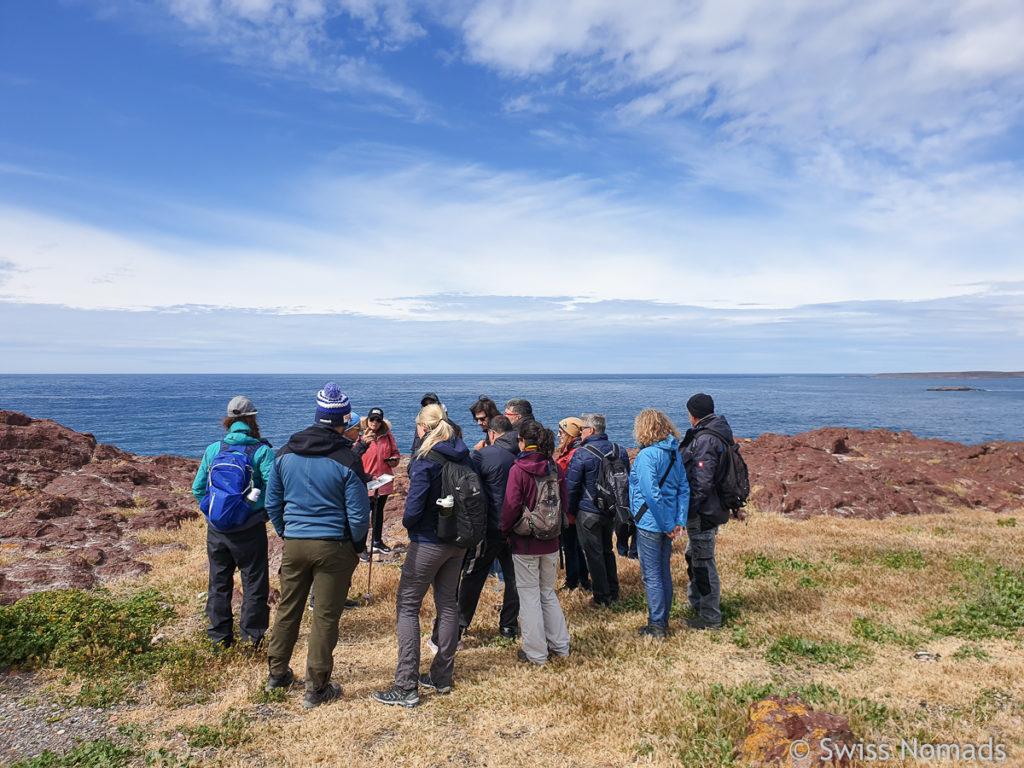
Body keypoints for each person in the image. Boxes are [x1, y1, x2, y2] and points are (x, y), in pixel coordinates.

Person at [264, 383, 369, 708]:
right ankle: (316, 687)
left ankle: (277, 674)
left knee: (288, 610)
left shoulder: (285, 452)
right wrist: (355, 547)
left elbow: (272, 503)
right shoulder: (347, 460)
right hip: (334, 545)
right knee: (324, 616)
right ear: (345, 419)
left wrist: (287, 533)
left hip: (295, 543)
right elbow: (358, 514)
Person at [374, 404, 476, 708]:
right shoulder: (463, 454)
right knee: (447, 604)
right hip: (458, 538)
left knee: (408, 605)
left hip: (429, 540)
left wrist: (409, 524)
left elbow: (414, 508)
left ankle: (406, 684)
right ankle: (441, 676)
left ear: (423, 427)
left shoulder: (425, 460)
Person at [192, 396, 274, 652]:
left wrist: (214, 513)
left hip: (217, 530)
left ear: (228, 420)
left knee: (218, 583)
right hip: (249, 528)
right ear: (253, 419)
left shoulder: (214, 449)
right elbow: (273, 491)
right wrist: (258, 513)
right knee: (254, 583)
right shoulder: (262, 451)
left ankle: (219, 640)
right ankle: (252, 641)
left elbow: (198, 488)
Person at [500, 419, 570, 665]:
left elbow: (510, 507)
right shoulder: (554, 468)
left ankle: (536, 653)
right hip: (551, 540)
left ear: (522, 441)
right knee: (547, 594)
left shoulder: (518, 469)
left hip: (526, 541)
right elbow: (564, 502)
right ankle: (561, 646)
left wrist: (506, 530)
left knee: (529, 596)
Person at [456, 414, 520, 640]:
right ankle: (509, 626)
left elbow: (471, 489)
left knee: (474, 575)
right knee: (514, 578)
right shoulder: (522, 453)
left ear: (492, 434)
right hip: (518, 527)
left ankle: (460, 625)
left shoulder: (485, 455)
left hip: (490, 526)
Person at [629, 409, 689, 639]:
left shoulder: (647, 456)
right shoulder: (674, 453)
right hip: (669, 520)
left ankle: (657, 626)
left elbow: (651, 494)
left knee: (652, 574)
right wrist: (678, 521)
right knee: (663, 572)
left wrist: (667, 524)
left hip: (651, 522)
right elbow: (684, 488)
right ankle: (662, 620)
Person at [680, 393, 733, 630]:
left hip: (704, 511)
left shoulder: (705, 440)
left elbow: (701, 483)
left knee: (703, 562)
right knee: (694, 556)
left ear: (693, 414)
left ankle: (710, 616)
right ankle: (696, 602)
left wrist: (687, 510)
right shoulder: (719, 432)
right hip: (713, 507)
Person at [565, 413, 629, 607]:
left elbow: (572, 486)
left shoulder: (582, 454)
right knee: (607, 550)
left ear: (591, 431)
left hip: (588, 510)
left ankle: (602, 597)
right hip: (611, 510)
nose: (580, 433)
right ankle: (613, 590)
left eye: (582, 429)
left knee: (594, 554)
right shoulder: (620, 451)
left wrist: (569, 510)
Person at [359, 407, 401, 558]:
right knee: (363, 515)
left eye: (378, 420)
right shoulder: (360, 436)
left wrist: (394, 461)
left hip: (383, 481)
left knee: (378, 513)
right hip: (366, 482)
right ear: (367, 420)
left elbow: (395, 452)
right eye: (372, 419)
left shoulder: (388, 436)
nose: (375, 423)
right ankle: (361, 546)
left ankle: (377, 541)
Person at [554, 417, 590, 592]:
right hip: (573, 506)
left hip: (570, 507)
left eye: (561, 433)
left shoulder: (572, 454)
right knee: (575, 546)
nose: (558, 436)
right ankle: (583, 578)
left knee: (570, 546)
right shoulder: (575, 451)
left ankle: (573, 581)